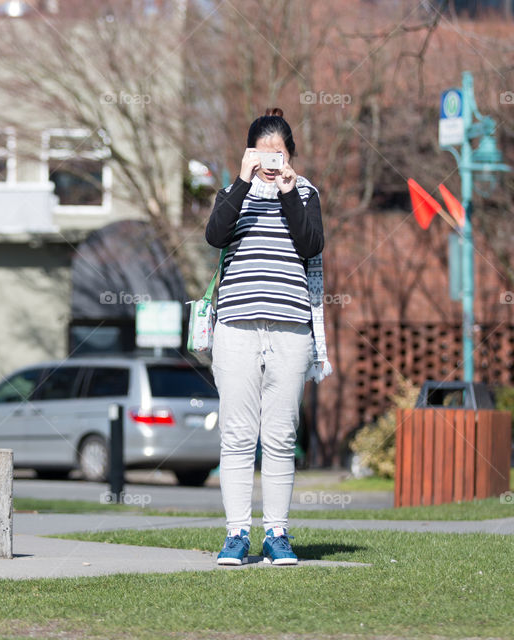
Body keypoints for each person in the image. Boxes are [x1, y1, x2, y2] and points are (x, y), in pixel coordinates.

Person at [205, 107, 331, 566]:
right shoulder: (231, 194)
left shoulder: (305, 193)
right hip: (236, 327)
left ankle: (277, 534)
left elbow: (310, 244)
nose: (271, 161)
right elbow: (215, 236)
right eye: (263, 153)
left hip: (290, 328)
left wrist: (289, 192)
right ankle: (236, 534)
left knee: (280, 436)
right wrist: (240, 183)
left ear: (291, 155)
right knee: (237, 436)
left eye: (279, 153)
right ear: (249, 154)